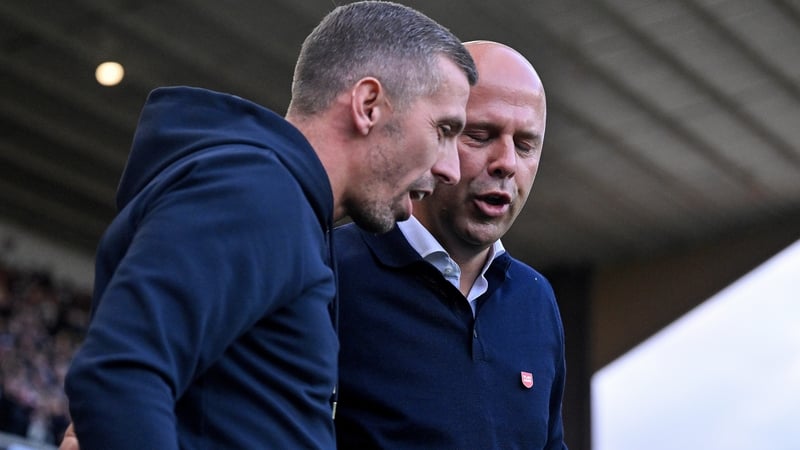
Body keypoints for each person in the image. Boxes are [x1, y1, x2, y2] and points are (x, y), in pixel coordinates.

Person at [61, 2, 477, 449]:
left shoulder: (281, 205)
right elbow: (120, 376)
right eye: (444, 130)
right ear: (368, 105)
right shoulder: (257, 193)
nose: (451, 169)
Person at [334, 41, 567, 449]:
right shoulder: (329, 268)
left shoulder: (536, 301)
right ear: (431, 135)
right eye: (480, 135)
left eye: (525, 145)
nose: (507, 162)